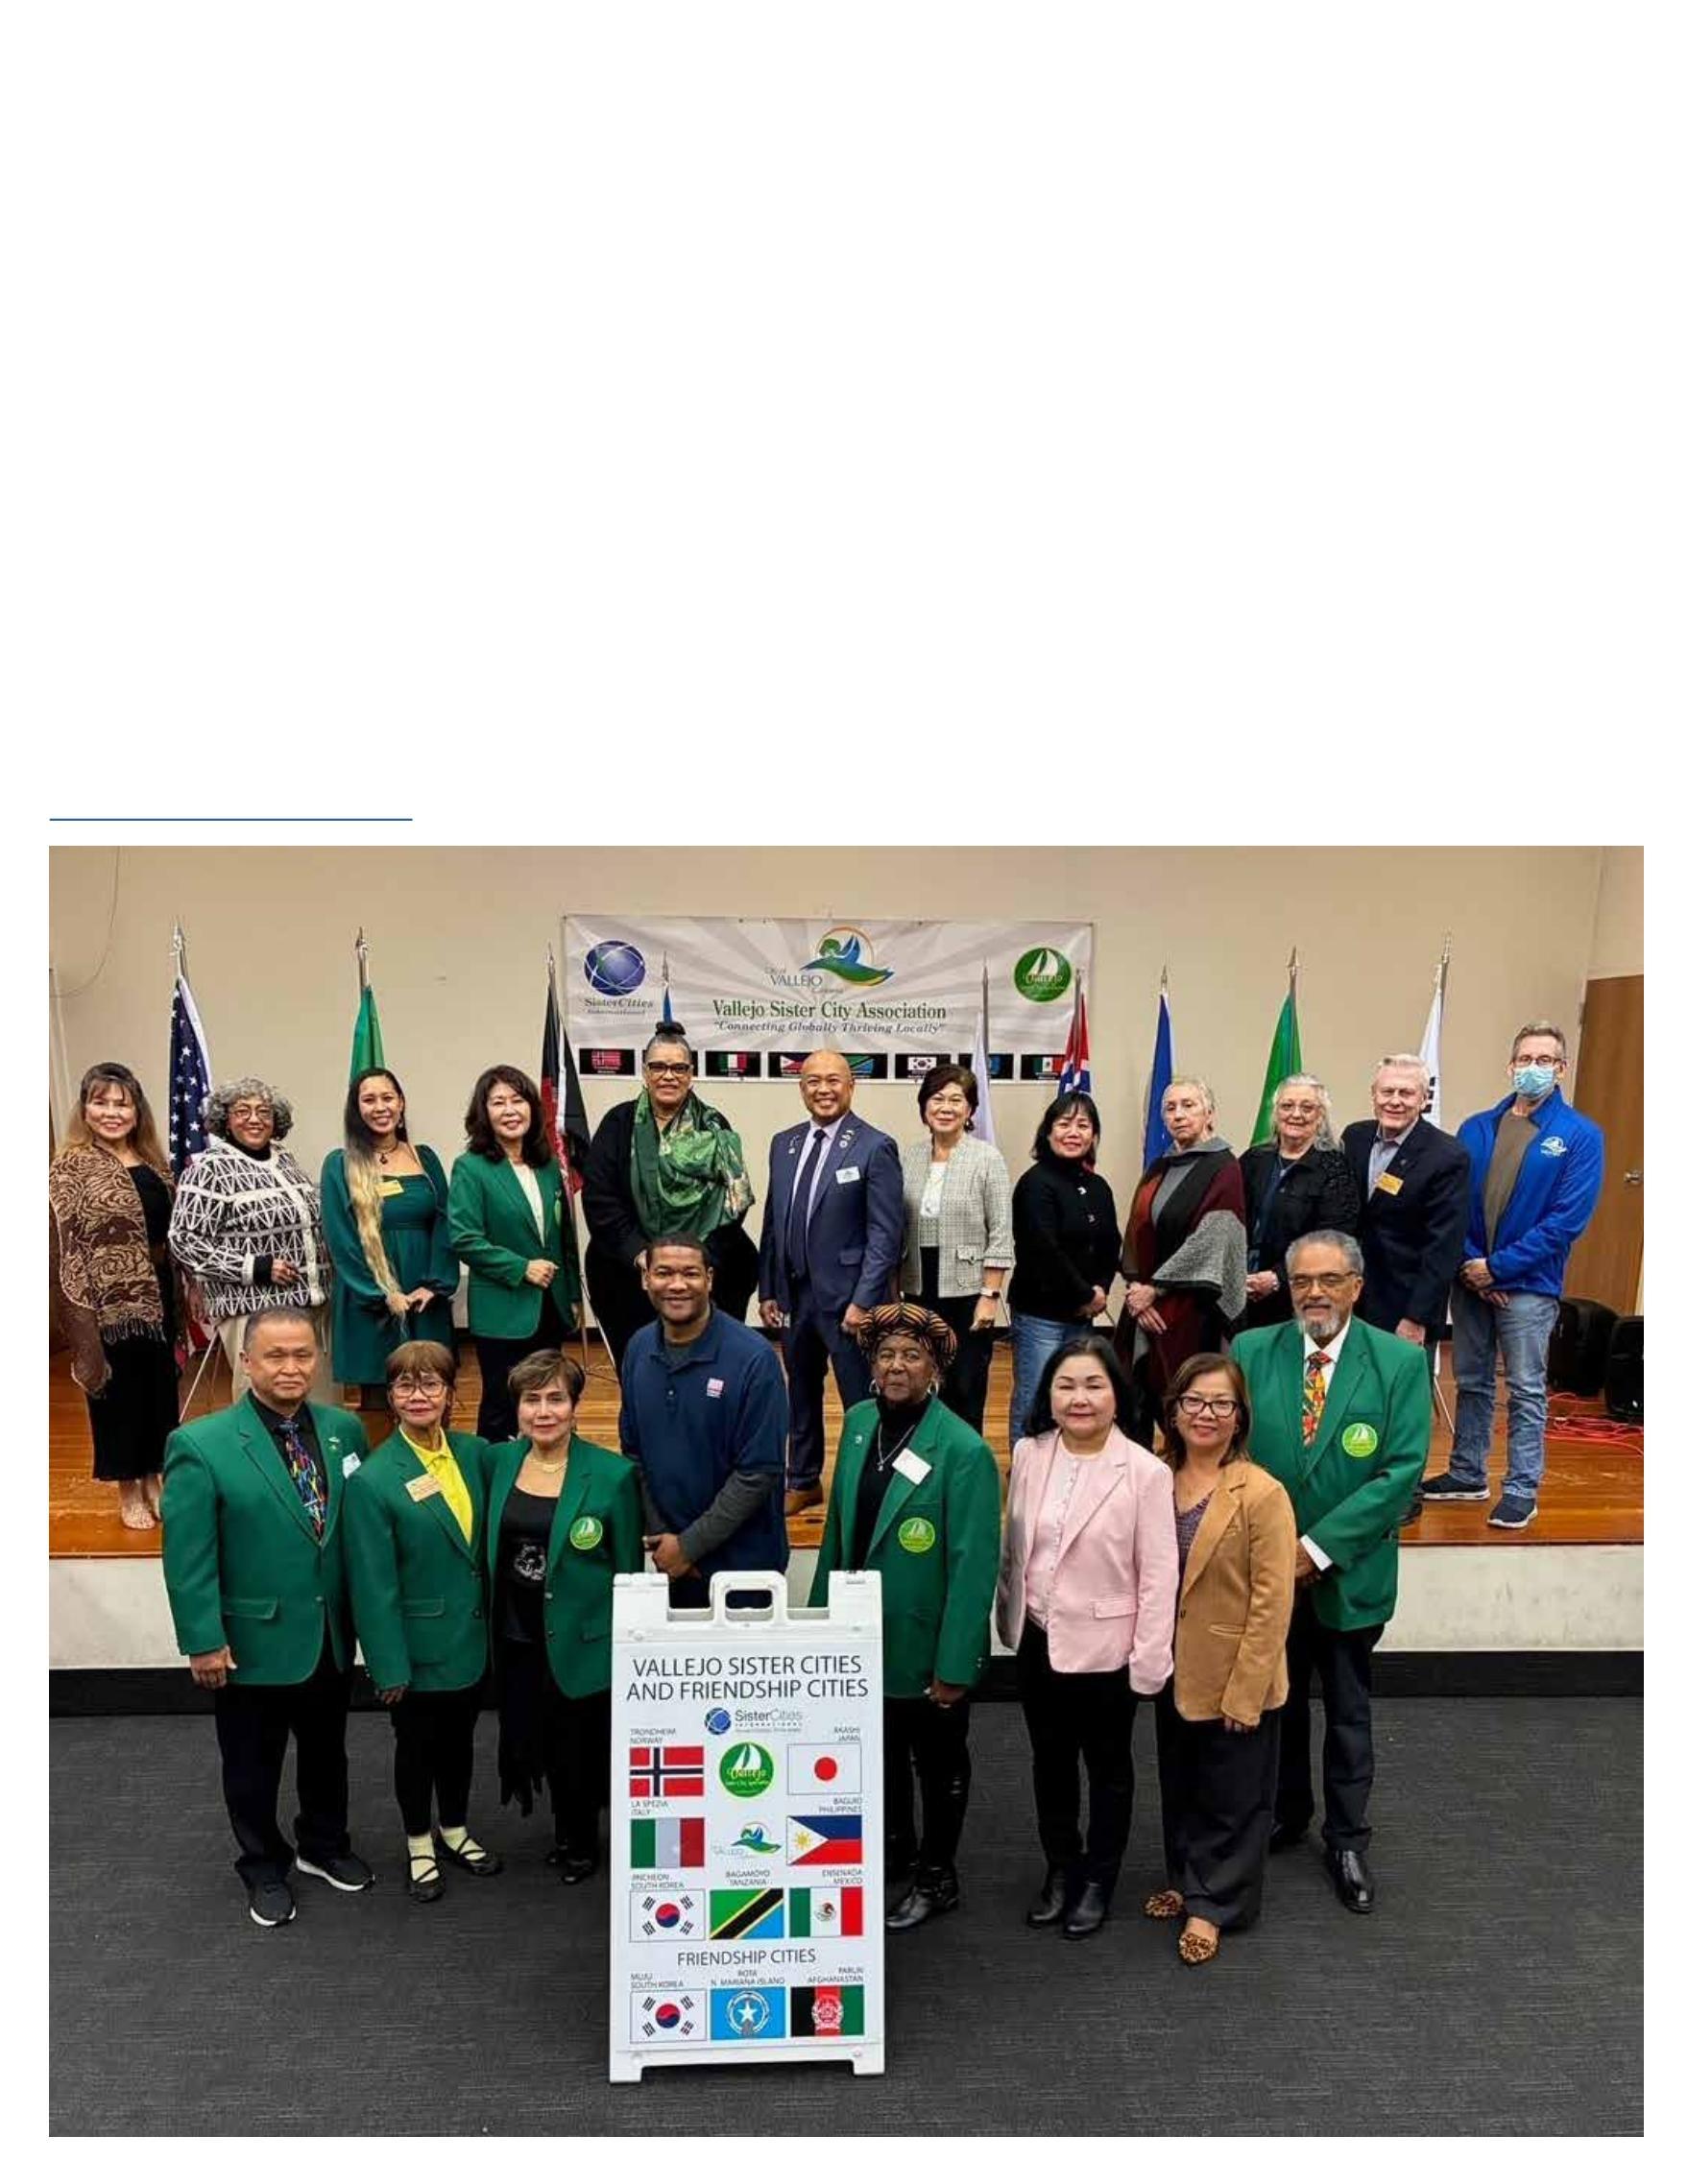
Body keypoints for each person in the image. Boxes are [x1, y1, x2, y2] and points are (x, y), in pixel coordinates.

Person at [1232, 1231, 1432, 1914]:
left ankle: (1346, 1838)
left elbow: (1399, 1474)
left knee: (1347, 1712)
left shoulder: (1400, 1362)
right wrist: (1275, 1550)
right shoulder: (1251, 1351)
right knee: (1276, 1703)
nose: (1314, 1293)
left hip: (1349, 1573)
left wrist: (1314, 1550)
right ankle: (1287, 1812)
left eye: (1329, 1280)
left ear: (1356, 1286)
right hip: (1268, 1573)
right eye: (1302, 1281)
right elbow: (1234, 1453)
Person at [158, 1308, 374, 1928]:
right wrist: (203, 1639)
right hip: (250, 1642)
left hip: (329, 1633)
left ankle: (323, 1844)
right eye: (275, 1355)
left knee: (328, 1753)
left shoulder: (344, 1430)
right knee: (253, 1765)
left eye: (303, 1354)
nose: (291, 1368)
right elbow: (189, 1556)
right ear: (246, 1361)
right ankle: (262, 1864)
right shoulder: (200, 1444)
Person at [810, 1304, 1001, 1932]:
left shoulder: (964, 1450)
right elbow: (838, 1531)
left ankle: (937, 1875)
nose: (896, 1366)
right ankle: (895, 1849)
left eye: (912, 1355)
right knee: (879, 1753)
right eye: (886, 1354)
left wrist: (956, 1665)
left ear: (935, 1369)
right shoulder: (859, 1423)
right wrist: (820, 1621)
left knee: (938, 1763)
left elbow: (974, 1569)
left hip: (925, 1643)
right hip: (860, 1635)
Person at [996, 1335, 1176, 1938]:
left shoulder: (1146, 1472)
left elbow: (1159, 1576)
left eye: (1094, 1385)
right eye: (1066, 1385)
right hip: (1037, 1638)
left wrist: (1149, 1659)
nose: (1080, 1398)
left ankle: (1099, 1878)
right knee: (1049, 1764)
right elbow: (1016, 1548)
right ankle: (1060, 1867)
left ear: (1117, 1395)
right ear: (1048, 1394)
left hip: (1107, 1651)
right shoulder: (1029, 1453)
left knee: (1108, 1769)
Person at [1144, 1353, 1295, 1966]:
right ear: (1174, 1410)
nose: (1205, 1414)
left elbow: (1273, 1600)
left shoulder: (1262, 1492)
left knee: (1233, 1796)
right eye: (1193, 1401)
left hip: (1237, 1669)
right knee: (1181, 1783)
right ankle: (1186, 1879)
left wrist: (1247, 1688)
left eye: (1221, 1403)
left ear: (1240, 1417)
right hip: (1172, 1667)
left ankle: (1215, 1905)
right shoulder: (1153, 1477)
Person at [1424, 1020, 1606, 1529]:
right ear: (1510, 1066)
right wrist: (1473, 1266)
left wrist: (1499, 1269)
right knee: (1471, 1381)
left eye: (1544, 1060)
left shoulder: (1581, 1136)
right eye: (1525, 1059)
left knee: (1525, 1389)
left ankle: (1522, 1488)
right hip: (1470, 1277)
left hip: (1527, 1286)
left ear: (1561, 1068)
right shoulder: (1477, 1128)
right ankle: (1467, 1473)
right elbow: (1453, 1204)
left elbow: (1567, 1220)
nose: (1533, 1068)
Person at [344, 1340, 501, 1905]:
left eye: (431, 1383)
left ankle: (454, 1829)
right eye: (405, 1385)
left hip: (472, 1640)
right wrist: (387, 1665)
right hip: (415, 1648)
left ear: (450, 1393)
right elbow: (372, 1584)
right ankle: (418, 1843)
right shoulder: (373, 1479)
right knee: (416, 1748)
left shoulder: (476, 1454)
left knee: (460, 1742)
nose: (418, 1395)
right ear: (390, 1397)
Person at [485, 1349, 642, 1881]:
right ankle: (562, 1829)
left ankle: (583, 1841)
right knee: (538, 1735)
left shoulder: (613, 1475)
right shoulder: (498, 1463)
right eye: (532, 1400)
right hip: (518, 1633)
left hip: (584, 1638)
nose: (544, 1411)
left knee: (581, 1744)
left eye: (556, 1399)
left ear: (576, 1406)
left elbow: (628, 1571)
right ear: (517, 1408)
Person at [759, 1050, 903, 1516]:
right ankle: (803, 1480)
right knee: (800, 1394)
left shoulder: (875, 1146)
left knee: (861, 1400)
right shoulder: (784, 1143)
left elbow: (885, 1235)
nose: (823, 1089)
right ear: (801, 1088)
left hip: (848, 1304)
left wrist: (864, 1301)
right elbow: (774, 1222)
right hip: (794, 1298)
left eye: (833, 1080)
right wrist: (768, 1288)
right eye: (813, 1081)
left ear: (851, 1085)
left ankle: (866, 1482)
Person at [619, 1233, 789, 1608]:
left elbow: (758, 1472)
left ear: (709, 1279)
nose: (677, 1285)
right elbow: (632, 1453)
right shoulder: (638, 1349)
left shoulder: (754, 1359)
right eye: (664, 1272)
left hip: (744, 1570)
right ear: (646, 1278)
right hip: (670, 1564)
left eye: (690, 1273)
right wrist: (665, 1540)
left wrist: (690, 1546)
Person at [48, 1063, 181, 1530]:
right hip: (105, 1304)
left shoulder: (154, 1162)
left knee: (159, 1391)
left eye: (121, 1104)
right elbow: (63, 1246)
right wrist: (79, 1315)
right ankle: (129, 1488)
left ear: (136, 1110)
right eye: (100, 1102)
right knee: (117, 1396)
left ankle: (155, 1478)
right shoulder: (70, 1167)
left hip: (158, 1295)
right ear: (84, 1110)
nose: (111, 1112)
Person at [581, 1021, 759, 1370]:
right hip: (630, 1273)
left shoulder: (713, 1125)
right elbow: (601, 1199)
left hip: (700, 1268)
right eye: (658, 1066)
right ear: (645, 1072)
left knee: (706, 1370)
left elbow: (733, 1201)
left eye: (678, 1068)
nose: (668, 1076)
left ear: (691, 1074)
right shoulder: (619, 1124)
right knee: (641, 1370)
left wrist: (695, 1261)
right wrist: (642, 1256)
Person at [168, 1077, 332, 1401]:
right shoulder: (210, 1169)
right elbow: (184, 1240)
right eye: (242, 1111)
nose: (254, 1119)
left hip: (310, 1308)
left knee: (318, 1403)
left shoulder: (284, 1159)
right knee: (268, 1403)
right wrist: (255, 1267)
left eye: (264, 1112)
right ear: (225, 1120)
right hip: (254, 1312)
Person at [448, 1065, 580, 1443]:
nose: (510, 1110)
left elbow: (563, 1237)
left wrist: (572, 1294)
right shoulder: (471, 1168)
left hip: (549, 1306)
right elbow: (464, 1238)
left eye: (518, 1100)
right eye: (498, 1102)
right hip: (503, 1311)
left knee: (546, 1400)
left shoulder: (549, 1166)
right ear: (484, 1112)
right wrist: (521, 1268)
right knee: (502, 1407)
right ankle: (496, 1474)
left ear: (532, 1108)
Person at [1117, 1077, 1247, 1442]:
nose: (1178, 1114)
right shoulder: (1159, 1167)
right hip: (1144, 1304)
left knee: (1185, 1403)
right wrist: (1137, 1289)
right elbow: (1136, 1229)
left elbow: (1212, 1239)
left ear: (1210, 1114)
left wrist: (1155, 1290)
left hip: (1194, 1308)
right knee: (1136, 1397)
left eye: (1189, 1105)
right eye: (1170, 1108)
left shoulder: (1224, 1167)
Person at [320, 1068, 457, 1402]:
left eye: (387, 1097)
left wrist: (435, 1284)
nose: (380, 1107)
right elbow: (341, 1240)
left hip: (424, 1298)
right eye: (369, 1100)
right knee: (381, 1397)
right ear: (356, 1108)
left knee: (432, 1389)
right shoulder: (339, 1165)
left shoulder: (425, 1158)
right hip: (370, 1300)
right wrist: (380, 1293)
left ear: (401, 1103)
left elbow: (445, 1225)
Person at [897, 1065, 1014, 1432]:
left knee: (965, 1386)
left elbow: (1001, 1232)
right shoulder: (909, 1158)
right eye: (937, 1099)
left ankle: (964, 1461)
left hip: (968, 1292)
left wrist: (990, 1296)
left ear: (970, 1109)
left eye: (956, 1100)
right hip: (919, 1287)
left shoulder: (987, 1158)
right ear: (924, 1107)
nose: (945, 1108)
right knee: (920, 1381)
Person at [1006, 1092, 1121, 1448]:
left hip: (1082, 1317)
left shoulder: (1098, 1186)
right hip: (1041, 1317)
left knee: (1075, 1398)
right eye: (1064, 1123)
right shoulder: (1035, 1183)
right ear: (1048, 1132)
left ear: (1094, 1136)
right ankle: (1025, 1470)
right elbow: (1043, 1250)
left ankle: (1065, 1465)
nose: (1074, 1132)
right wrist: (1086, 1294)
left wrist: (1101, 1289)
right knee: (1035, 1398)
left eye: (1083, 1125)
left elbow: (1111, 1243)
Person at [1340, 1054, 1470, 1350]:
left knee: (1399, 1380)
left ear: (1424, 1099)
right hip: (1351, 1298)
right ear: (1373, 1095)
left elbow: (1444, 1246)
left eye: (1406, 1093)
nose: (1395, 1101)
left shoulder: (1448, 1156)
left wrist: (1416, 1316)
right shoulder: (1355, 1137)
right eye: (1387, 1091)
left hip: (1405, 1306)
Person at [1239, 1074, 1362, 1330]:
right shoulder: (1253, 1159)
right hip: (1243, 1291)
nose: (1296, 1114)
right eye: (1287, 1106)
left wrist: (1278, 1277)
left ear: (1320, 1116)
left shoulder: (1335, 1168)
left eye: (1307, 1108)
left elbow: (1332, 1239)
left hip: (1301, 1295)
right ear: (1276, 1113)